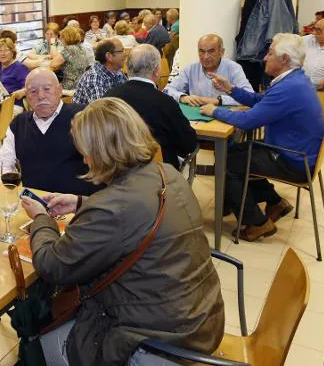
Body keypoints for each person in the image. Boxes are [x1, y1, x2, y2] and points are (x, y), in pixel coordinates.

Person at [21, 97, 224, 366]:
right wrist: (81, 202)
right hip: (202, 315)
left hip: (158, 342)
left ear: (100, 151)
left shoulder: (111, 209)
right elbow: (136, 213)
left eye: (85, 150)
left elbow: (52, 265)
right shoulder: (167, 173)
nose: (83, 158)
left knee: (37, 346)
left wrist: (41, 219)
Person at [200, 33, 324, 241]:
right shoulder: (294, 79)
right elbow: (260, 100)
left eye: (270, 53)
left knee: (229, 162)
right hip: (297, 153)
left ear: (284, 59)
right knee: (237, 152)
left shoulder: (289, 88)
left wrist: (214, 111)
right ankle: (274, 202)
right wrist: (230, 89)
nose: (265, 58)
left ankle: (257, 223)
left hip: (292, 160)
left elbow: (248, 120)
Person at [0, 68, 101, 196]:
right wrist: (1, 191)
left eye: (47, 89)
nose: (41, 96)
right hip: (34, 205)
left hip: (77, 205)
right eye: (33, 91)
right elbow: (3, 162)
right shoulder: (19, 124)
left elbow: (105, 164)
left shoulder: (84, 116)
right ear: (26, 95)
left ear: (59, 90)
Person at [106, 44, 198, 170]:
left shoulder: (109, 97)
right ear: (156, 71)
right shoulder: (165, 102)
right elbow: (189, 144)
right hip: (158, 174)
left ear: (128, 67)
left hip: (115, 170)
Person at [164, 34, 253, 106]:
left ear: (222, 52)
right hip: (198, 118)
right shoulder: (191, 68)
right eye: (202, 51)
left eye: (211, 51)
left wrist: (218, 101)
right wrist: (182, 97)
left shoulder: (233, 68)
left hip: (225, 118)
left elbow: (250, 96)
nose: (206, 57)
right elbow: (167, 90)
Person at [73, 39, 127, 106]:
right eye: (121, 51)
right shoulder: (94, 78)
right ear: (109, 56)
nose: (125, 54)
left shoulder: (117, 71)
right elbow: (100, 111)